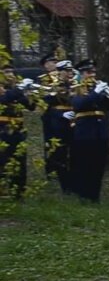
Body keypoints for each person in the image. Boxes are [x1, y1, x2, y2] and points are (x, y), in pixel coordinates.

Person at [69, 61, 109, 202]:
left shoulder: (97, 89)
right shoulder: (76, 87)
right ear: (81, 74)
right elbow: (79, 104)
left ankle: (95, 194)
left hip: (100, 131)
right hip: (84, 131)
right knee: (85, 164)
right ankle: (84, 194)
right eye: (89, 72)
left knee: (98, 164)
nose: (92, 75)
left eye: (94, 72)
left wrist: (108, 94)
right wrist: (95, 92)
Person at [40, 61, 75, 194]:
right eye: (67, 71)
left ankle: (74, 182)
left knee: (74, 153)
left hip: (73, 120)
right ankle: (65, 184)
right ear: (59, 71)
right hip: (57, 124)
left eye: (71, 71)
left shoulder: (73, 84)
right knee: (60, 153)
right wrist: (61, 114)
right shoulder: (50, 85)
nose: (70, 73)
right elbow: (45, 107)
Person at [0, 67, 34, 197]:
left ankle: (19, 191)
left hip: (18, 128)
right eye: (6, 72)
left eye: (11, 72)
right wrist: (19, 89)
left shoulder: (15, 90)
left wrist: (29, 94)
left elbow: (31, 107)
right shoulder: (8, 91)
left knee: (19, 159)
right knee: (3, 158)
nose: (10, 75)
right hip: (2, 127)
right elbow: (4, 100)